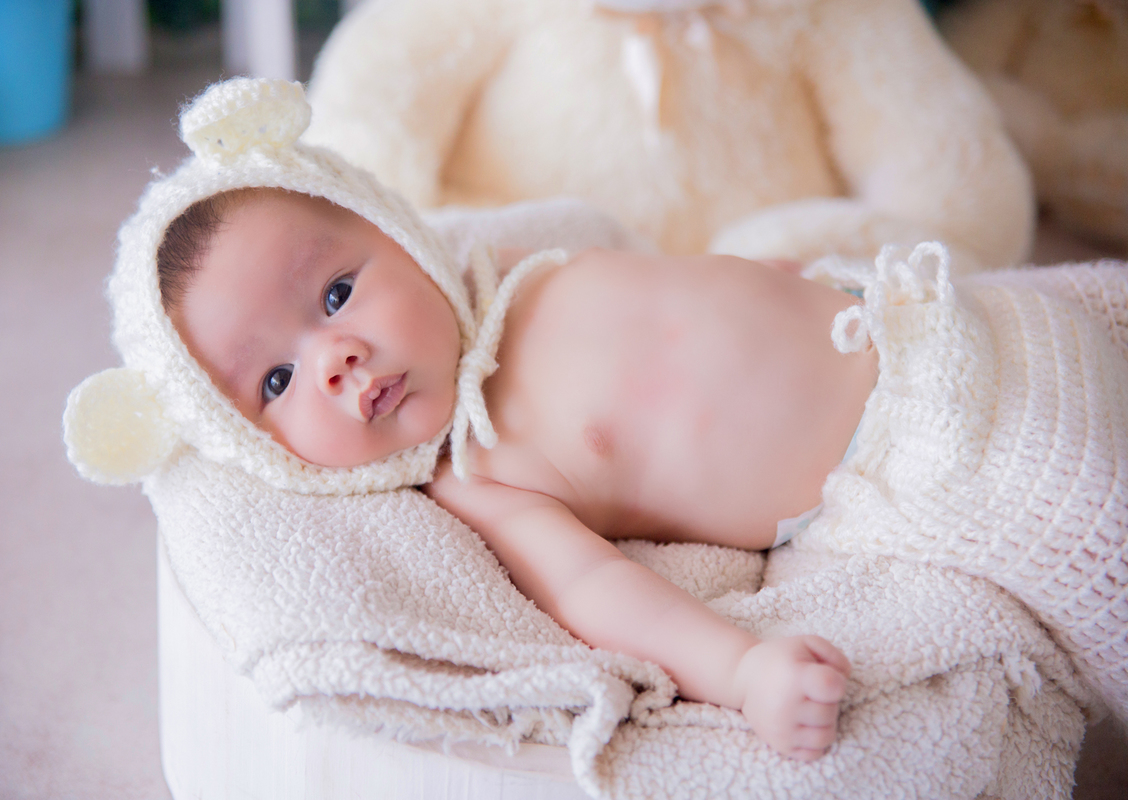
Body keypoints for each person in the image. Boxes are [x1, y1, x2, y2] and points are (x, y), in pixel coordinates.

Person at [160, 184, 868, 761]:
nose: (333, 358)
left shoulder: (502, 271)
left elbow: (652, 290)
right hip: (876, 456)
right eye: (277, 380)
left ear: (397, 238)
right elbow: (592, 587)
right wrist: (743, 672)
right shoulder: (475, 470)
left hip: (875, 306)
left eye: (337, 294)